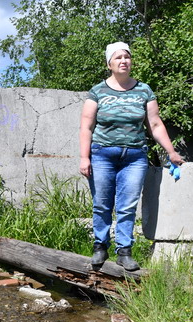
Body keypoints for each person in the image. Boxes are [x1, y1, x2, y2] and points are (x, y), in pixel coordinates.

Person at [79, 41, 184, 271]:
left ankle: (124, 252)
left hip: (135, 156)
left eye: (126, 57)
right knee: (102, 204)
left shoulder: (144, 90)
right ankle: (100, 247)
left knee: (127, 206)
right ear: (109, 64)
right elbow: (86, 126)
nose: (123, 61)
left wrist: (171, 152)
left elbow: (155, 124)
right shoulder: (97, 91)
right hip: (102, 155)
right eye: (118, 58)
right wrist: (84, 157)